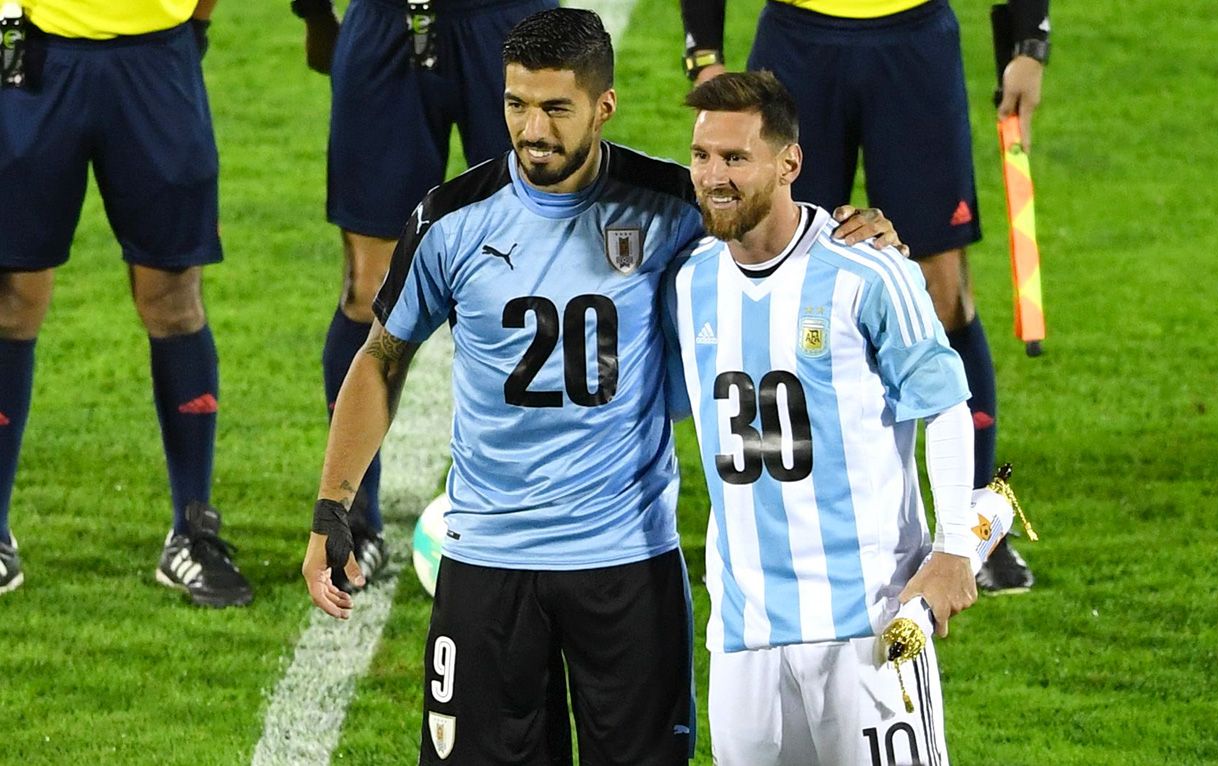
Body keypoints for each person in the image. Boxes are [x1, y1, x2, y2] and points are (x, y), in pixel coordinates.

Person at [300, 10, 896, 763]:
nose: (533, 130)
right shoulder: (449, 219)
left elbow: (779, 234)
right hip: (488, 564)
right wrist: (333, 506)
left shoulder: (670, 204)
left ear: (602, 106)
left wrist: (859, 226)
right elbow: (380, 358)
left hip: (626, 564)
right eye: (517, 105)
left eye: (556, 108)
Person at [679, 0, 1050, 592]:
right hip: (797, 39)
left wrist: (1029, 42)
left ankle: (979, 529)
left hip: (915, 38)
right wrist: (704, 51)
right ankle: (767, 527)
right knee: (762, 259)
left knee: (942, 288)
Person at [666, 70, 980, 764]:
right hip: (743, 633)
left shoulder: (868, 272)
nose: (713, 176)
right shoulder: (689, 282)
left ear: (789, 164)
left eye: (735, 158)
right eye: (701, 156)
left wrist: (956, 546)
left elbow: (946, 405)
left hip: (865, 625)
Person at [290, 0, 558, 589]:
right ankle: (352, 519)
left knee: (536, 270)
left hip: (510, 20)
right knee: (371, 290)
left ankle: (544, 507)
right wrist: (313, 14)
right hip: (386, 24)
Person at [0, 0, 251, 606]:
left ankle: (191, 531)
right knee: (9, 299)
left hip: (156, 55)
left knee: (171, 296)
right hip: (25, 53)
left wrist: (194, 26)